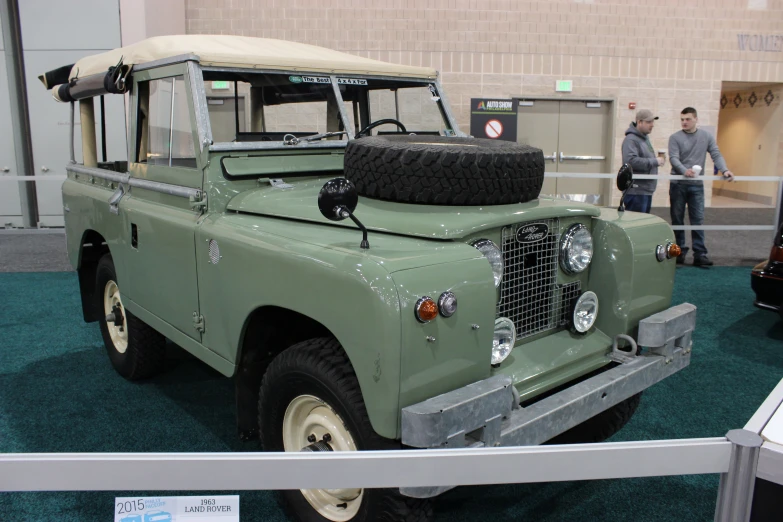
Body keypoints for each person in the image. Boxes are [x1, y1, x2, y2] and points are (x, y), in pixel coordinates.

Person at [668, 107, 734, 267]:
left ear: (696, 119)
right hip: (678, 184)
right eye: (682, 119)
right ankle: (680, 252)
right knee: (677, 219)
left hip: (696, 186)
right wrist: (685, 171)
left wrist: (725, 169)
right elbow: (674, 158)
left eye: (688, 119)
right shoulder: (674, 138)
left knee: (698, 219)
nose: (684, 122)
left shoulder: (706, 136)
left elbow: (716, 154)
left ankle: (700, 253)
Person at [621, 109, 665, 213]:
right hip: (636, 191)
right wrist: (655, 161)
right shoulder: (631, 140)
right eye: (649, 122)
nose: (652, 125)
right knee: (636, 225)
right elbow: (631, 161)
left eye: (653, 122)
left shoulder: (644, 139)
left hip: (645, 190)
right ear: (639, 122)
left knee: (641, 224)